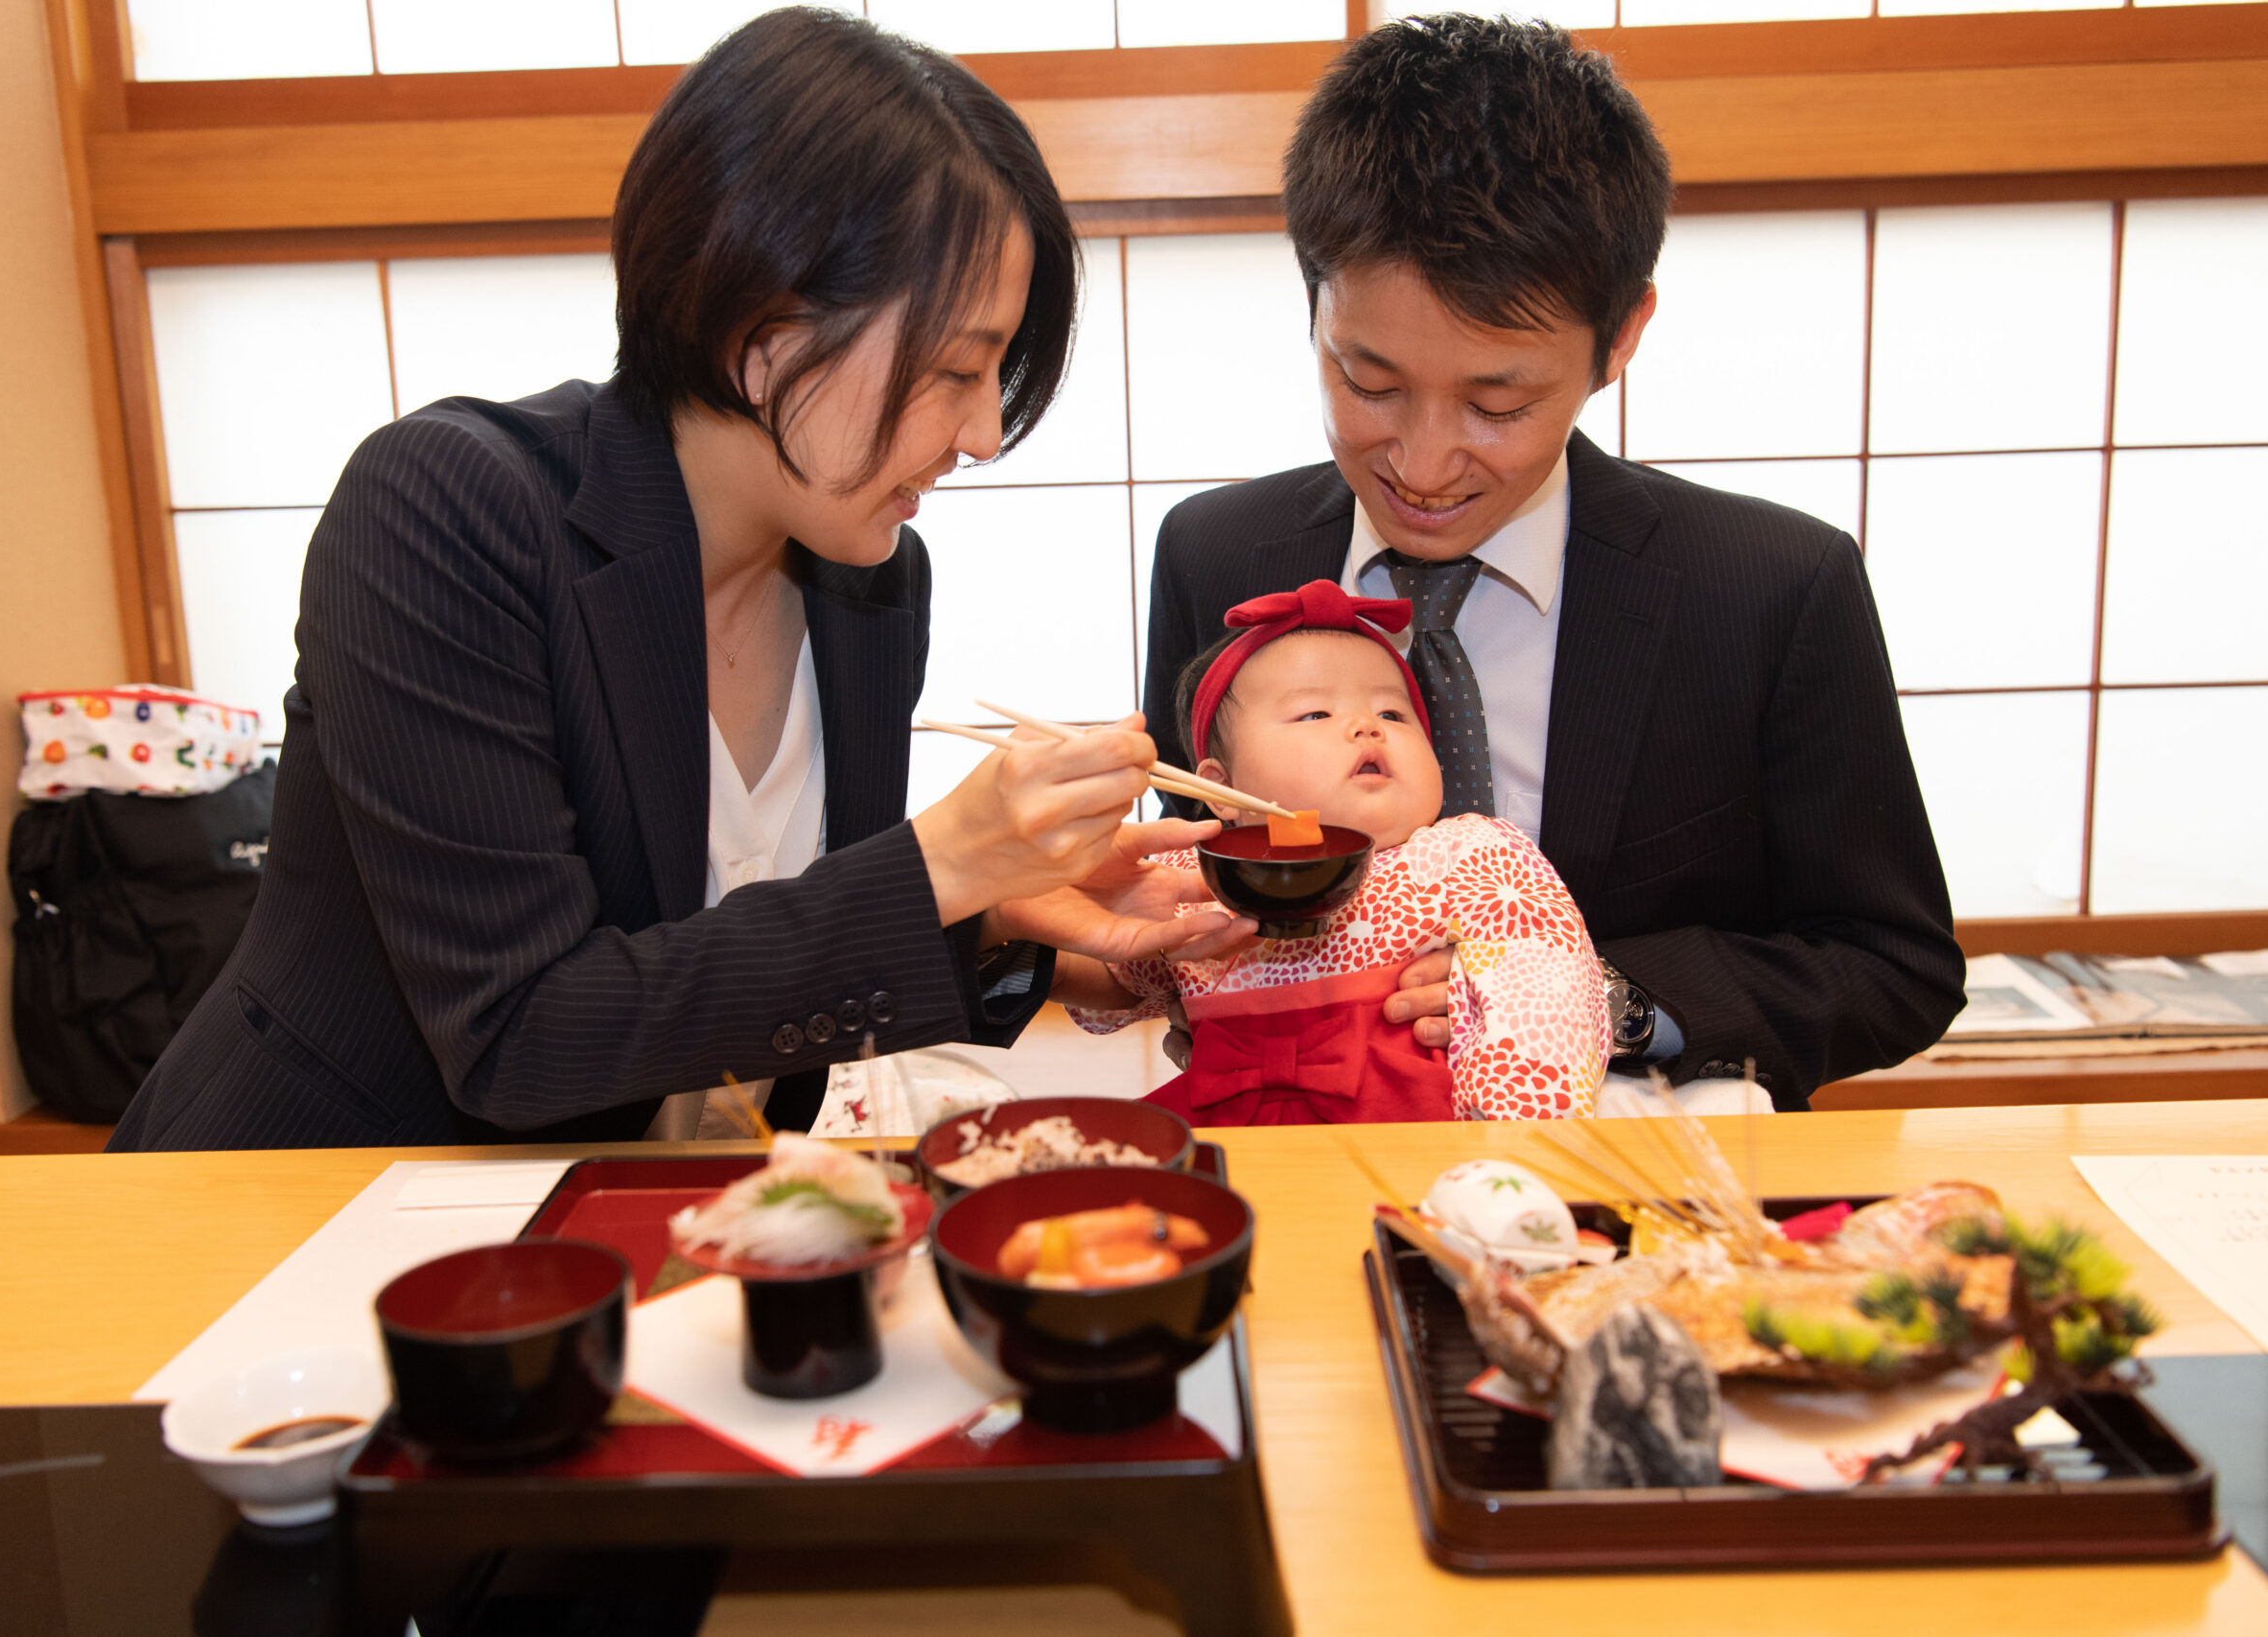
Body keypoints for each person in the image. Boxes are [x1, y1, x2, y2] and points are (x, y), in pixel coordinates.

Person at [109, 10, 1248, 1153]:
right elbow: (518, 1033)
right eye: (955, 368)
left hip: (627, 1208)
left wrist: (999, 912)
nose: (984, 435)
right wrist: (940, 861)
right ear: (761, 324)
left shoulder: (873, 586)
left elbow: (726, 962)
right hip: (302, 1202)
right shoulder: (448, 513)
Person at [1141, 14, 1964, 1111]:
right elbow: (1198, 864)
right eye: (1368, 382)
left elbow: (1893, 967)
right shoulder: (1220, 552)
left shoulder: (1770, 587)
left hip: (1637, 1185)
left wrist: (1596, 998)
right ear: (1313, 306)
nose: (1423, 463)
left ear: (1621, 338)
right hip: (1300, 1154)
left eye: (1499, 402)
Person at [1064, 580, 1611, 1125]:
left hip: (1415, 1140)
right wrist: (1065, 889)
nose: (1366, 726)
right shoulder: (1195, 872)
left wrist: (1513, 1146)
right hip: (1224, 1131)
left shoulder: (1472, 855)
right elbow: (1118, 975)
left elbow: (1543, 997)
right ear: (1219, 789)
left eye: (1394, 716)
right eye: (1315, 715)